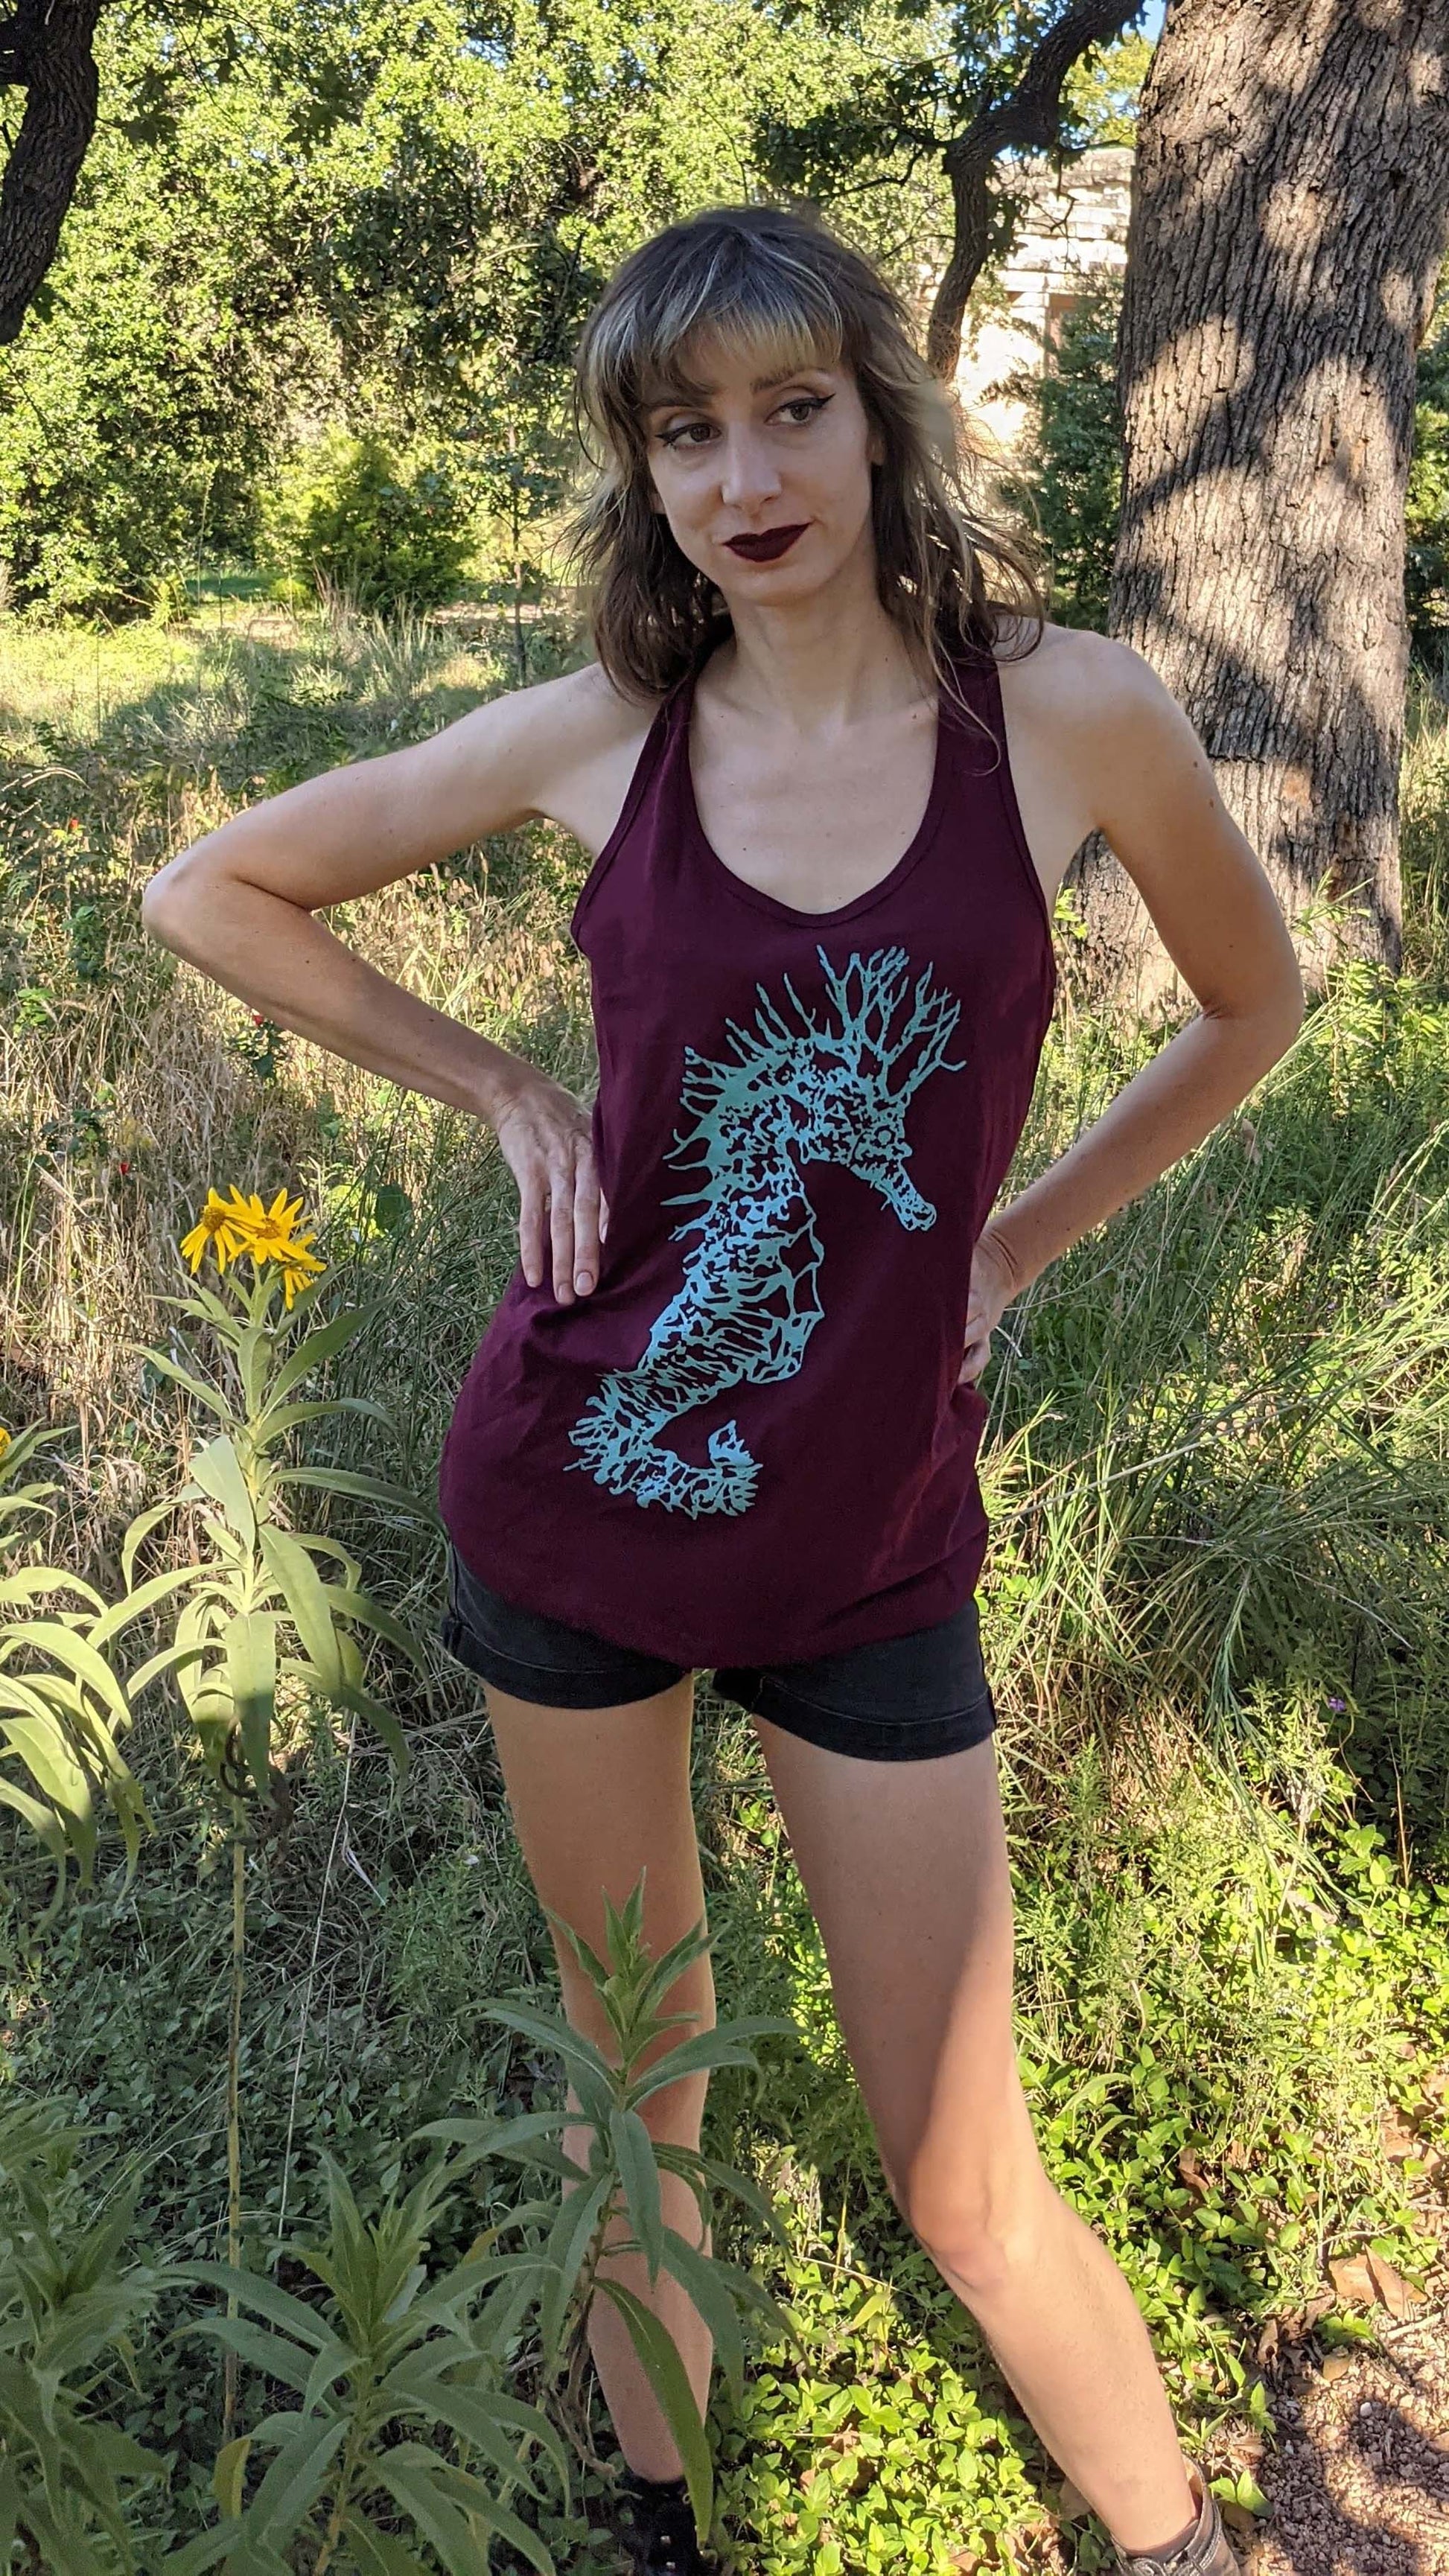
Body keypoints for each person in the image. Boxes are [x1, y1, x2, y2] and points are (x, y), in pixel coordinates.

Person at [143, 203, 1303, 2576]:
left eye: (790, 410)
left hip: (873, 1543)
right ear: (641, 470)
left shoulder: (1064, 712)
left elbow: (1247, 1005)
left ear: (878, 418)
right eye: (686, 433)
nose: (745, 476)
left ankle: (1177, 2540)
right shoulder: (604, 729)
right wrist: (497, 1084)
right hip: (573, 1510)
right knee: (636, 2095)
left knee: (962, 2170)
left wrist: (1015, 1237)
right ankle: (652, 2520)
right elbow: (211, 889)